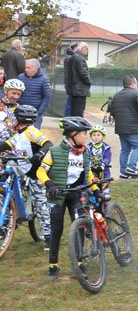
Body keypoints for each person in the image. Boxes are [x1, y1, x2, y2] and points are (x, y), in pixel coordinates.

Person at [35, 116, 96, 279]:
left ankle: (79, 263)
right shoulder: (54, 151)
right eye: (84, 133)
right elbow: (40, 171)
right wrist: (49, 184)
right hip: (58, 194)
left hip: (76, 194)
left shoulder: (85, 152)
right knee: (57, 229)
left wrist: (96, 190)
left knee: (80, 227)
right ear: (72, 134)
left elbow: (88, 173)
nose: (87, 136)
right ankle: (53, 265)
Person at [1, 105, 52, 250]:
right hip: (20, 169)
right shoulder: (18, 135)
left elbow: (48, 144)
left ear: (17, 119)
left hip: (34, 171)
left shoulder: (32, 131)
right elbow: (6, 145)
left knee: (40, 203)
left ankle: (49, 236)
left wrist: (39, 154)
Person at [109, 75, 138, 179]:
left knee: (125, 149)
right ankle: (131, 167)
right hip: (134, 127)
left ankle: (123, 172)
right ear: (132, 84)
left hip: (121, 127)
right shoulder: (137, 94)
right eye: (136, 83)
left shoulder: (117, 95)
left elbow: (112, 110)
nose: (137, 85)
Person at [17, 59, 52, 126]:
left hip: (35, 114)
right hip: (20, 112)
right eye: (26, 67)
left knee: (34, 134)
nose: (26, 70)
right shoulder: (20, 77)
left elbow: (47, 96)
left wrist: (39, 112)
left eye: (28, 68)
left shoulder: (44, 79)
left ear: (36, 68)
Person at [64, 42, 91, 117]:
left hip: (73, 88)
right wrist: (89, 82)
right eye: (87, 49)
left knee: (73, 110)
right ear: (83, 48)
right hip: (80, 89)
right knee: (79, 112)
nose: (88, 51)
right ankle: (77, 128)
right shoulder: (80, 58)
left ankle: (73, 126)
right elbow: (83, 73)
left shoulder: (73, 57)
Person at [0, 78, 25, 143]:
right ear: (5, 91)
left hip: (13, 146)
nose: (16, 97)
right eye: (13, 93)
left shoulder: (20, 109)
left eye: (18, 94)